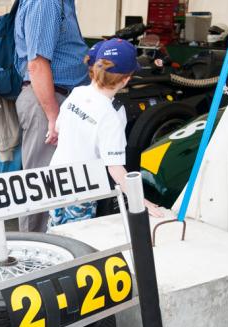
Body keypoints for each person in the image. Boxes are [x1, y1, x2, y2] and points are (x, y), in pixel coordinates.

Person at [49, 39, 163, 227]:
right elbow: (115, 168)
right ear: (126, 79)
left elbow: (58, 128)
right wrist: (140, 201)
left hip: (54, 179)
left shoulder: (77, 93)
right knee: (76, 241)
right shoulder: (112, 116)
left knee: (55, 233)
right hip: (81, 188)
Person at [14, 0, 90, 233]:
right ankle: (33, 252)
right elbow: (37, 63)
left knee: (55, 182)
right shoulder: (46, 2)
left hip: (57, 98)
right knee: (41, 184)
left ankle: (52, 248)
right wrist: (53, 116)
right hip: (47, 100)